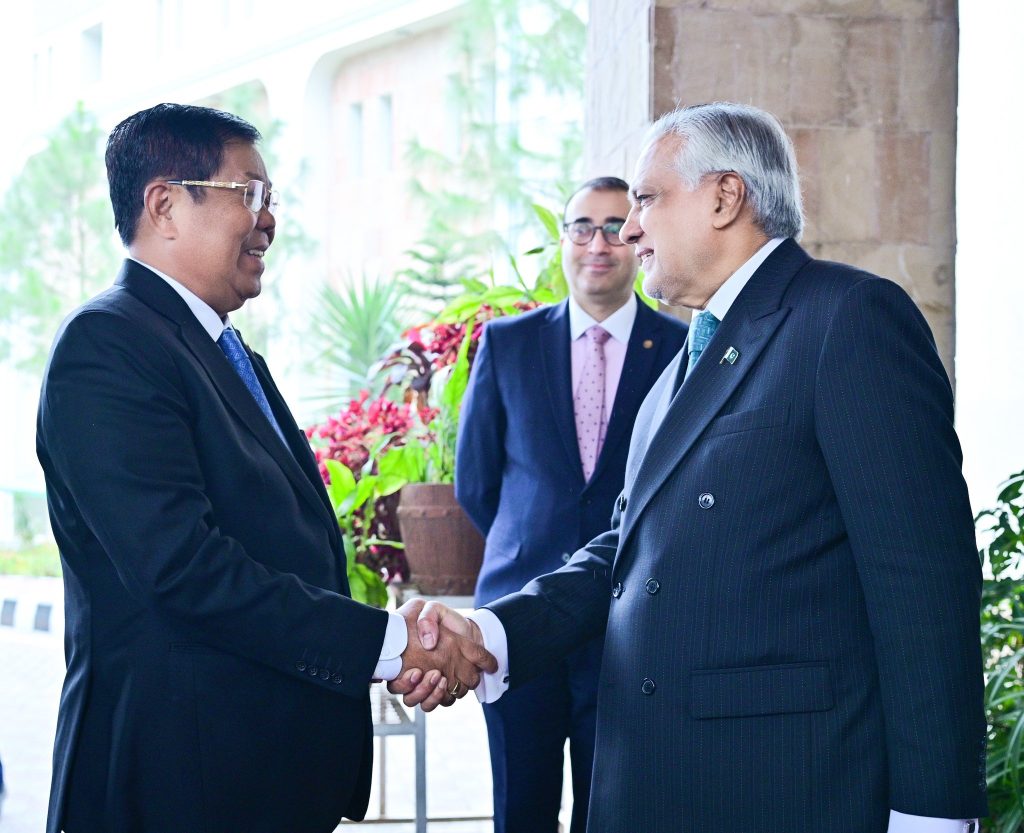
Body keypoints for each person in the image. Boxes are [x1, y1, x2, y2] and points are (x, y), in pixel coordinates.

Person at [396, 102, 987, 833]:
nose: (630, 225)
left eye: (646, 198)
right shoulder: (682, 366)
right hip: (657, 786)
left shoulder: (848, 320)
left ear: (725, 196)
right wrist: (492, 632)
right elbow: (621, 554)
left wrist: (934, 812)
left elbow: (924, 584)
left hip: (782, 790)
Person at [35, 103, 493, 833]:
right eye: (247, 194)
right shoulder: (109, 346)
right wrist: (384, 642)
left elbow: (288, 551)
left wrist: (390, 632)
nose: (268, 219)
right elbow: (185, 570)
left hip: (256, 780)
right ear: (165, 205)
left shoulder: (232, 354)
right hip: (174, 785)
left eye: (271, 198)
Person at [455, 177, 688, 833]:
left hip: (627, 626)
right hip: (518, 618)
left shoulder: (678, 350)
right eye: (582, 226)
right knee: (520, 811)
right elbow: (476, 481)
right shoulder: (508, 344)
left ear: (637, 240)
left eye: (616, 226)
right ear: (564, 240)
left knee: (610, 813)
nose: (599, 243)